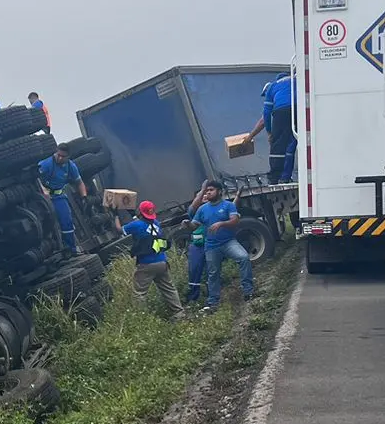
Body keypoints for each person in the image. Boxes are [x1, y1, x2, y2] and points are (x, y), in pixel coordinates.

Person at [192, 179, 254, 312]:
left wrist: (221, 224)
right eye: (207, 190)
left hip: (228, 242)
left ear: (219, 191)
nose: (208, 192)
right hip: (211, 246)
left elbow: (235, 220)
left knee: (243, 258)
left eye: (211, 190)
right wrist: (187, 224)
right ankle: (213, 301)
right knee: (213, 273)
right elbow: (194, 225)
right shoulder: (202, 209)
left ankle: (248, 291)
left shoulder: (228, 205)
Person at [122, 201, 182, 315]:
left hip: (146, 264)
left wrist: (115, 214)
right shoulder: (156, 223)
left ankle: (142, 319)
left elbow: (120, 229)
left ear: (140, 212)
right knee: (169, 289)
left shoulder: (136, 225)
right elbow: (144, 225)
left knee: (139, 293)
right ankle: (179, 314)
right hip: (162, 262)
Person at [246, 70, 297, 184]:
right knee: (291, 144)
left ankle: (275, 178)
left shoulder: (272, 87)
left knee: (277, 147)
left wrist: (270, 134)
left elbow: (266, 116)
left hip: (282, 112)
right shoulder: (296, 81)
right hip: (300, 109)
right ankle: (286, 176)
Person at [37, 145, 87, 253]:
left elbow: (79, 182)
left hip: (59, 197)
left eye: (63, 156)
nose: (59, 158)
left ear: (68, 157)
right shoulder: (47, 164)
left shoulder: (70, 166)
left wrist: (84, 197)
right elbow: (35, 177)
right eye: (58, 155)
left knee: (67, 221)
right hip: (44, 198)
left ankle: (71, 250)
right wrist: (43, 190)